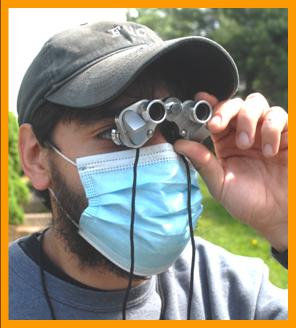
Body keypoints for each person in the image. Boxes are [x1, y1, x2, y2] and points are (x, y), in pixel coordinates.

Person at [9, 20, 288, 320]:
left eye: (172, 129)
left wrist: (286, 223)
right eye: (116, 132)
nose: (162, 153)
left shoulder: (238, 297)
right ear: (36, 156)